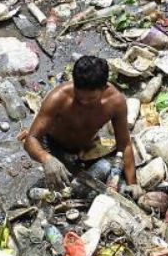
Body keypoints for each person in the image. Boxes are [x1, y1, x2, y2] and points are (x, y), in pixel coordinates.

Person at [24, 56, 139, 195]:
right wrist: (46, 158)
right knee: (56, 190)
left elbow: (124, 144)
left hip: (85, 148)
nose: (84, 102)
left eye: (91, 98)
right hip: (53, 145)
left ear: (104, 88)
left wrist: (133, 183)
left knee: (104, 180)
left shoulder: (115, 102)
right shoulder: (59, 98)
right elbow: (31, 139)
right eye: (79, 98)